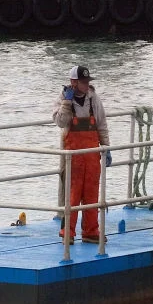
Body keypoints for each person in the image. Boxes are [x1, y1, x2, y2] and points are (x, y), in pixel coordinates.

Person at [53, 65, 111, 243]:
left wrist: (106, 148)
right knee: (72, 195)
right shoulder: (63, 99)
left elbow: (101, 124)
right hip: (72, 156)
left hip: (92, 154)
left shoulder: (94, 99)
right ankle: (67, 233)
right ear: (73, 82)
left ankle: (91, 231)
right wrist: (66, 103)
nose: (86, 84)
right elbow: (61, 122)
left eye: (87, 81)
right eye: (83, 82)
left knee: (92, 194)